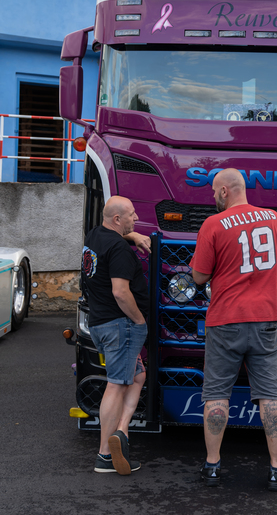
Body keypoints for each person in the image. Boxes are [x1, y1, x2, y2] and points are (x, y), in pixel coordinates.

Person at [190, 168, 277, 492]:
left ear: (224, 192)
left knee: (216, 395)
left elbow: (198, 277)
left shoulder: (213, 224)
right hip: (266, 318)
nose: (212, 198)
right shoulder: (274, 218)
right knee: (270, 396)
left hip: (225, 321)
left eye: (212, 192)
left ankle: (211, 466)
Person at [81, 196, 151, 475]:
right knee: (117, 383)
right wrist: (139, 320)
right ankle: (105, 456)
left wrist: (131, 235)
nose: (136, 218)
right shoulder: (119, 249)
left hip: (100, 323)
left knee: (137, 375)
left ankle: (121, 432)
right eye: (132, 215)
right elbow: (121, 292)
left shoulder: (95, 235)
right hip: (120, 325)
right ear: (117, 220)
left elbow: (113, 234)